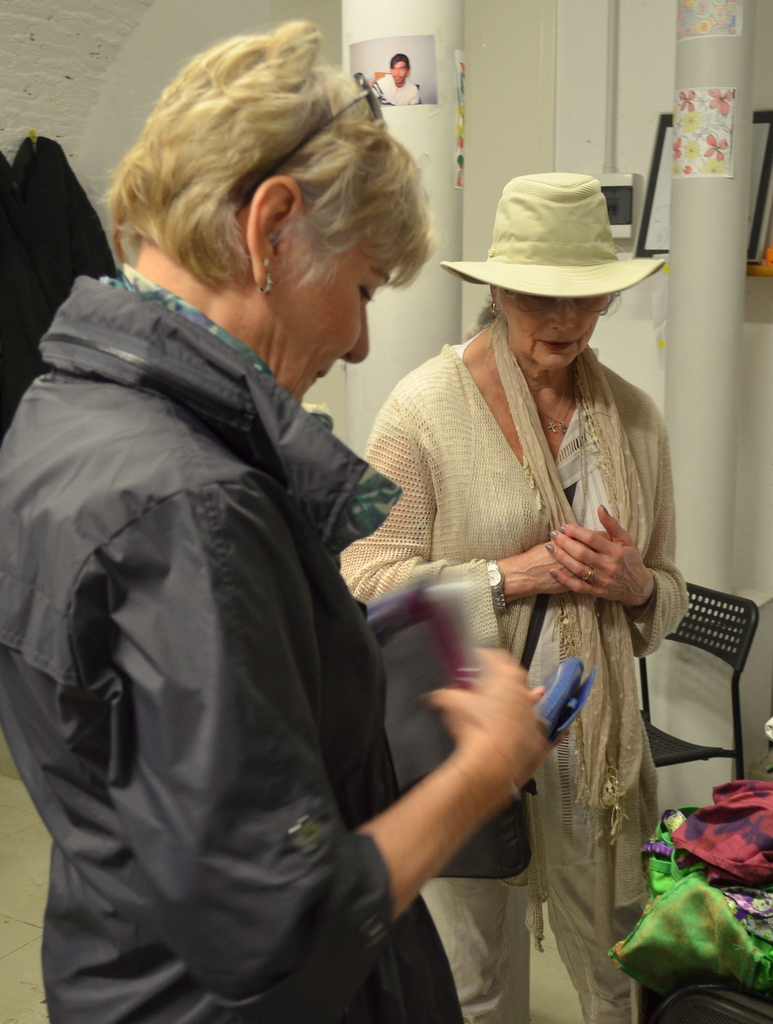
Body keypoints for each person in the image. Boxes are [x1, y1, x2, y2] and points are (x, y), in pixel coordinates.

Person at [0, 28, 553, 1024]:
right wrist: (482, 772)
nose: (356, 340)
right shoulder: (192, 505)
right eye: (362, 289)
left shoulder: (60, 412)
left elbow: (153, 753)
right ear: (272, 229)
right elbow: (282, 929)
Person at [341, 172, 688, 1024]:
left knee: (618, 983)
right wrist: (510, 575)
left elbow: (669, 592)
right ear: (496, 287)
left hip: (595, 760)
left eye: (587, 298)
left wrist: (636, 586)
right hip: (465, 744)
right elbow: (363, 579)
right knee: (473, 988)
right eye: (540, 298)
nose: (566, 323)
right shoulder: (421, 410)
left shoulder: (634, 420)